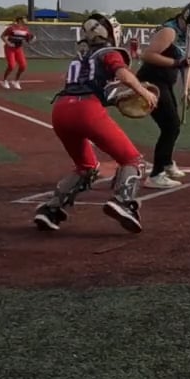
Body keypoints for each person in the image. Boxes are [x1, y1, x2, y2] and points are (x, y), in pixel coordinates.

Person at [33, 14, 156, 233]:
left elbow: (85, 86)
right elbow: (123, 75)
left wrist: (115, 99)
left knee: (86, 167)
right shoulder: (108, 52)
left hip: (60, 110)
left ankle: (51, 209)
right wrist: (143, 91)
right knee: (133, 160)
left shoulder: (80, 57)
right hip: (86, 110)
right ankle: (122, 202)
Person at [136, 0, 190, 189]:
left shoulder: (187, 36)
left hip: (165, 83)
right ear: (186, 19)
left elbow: (187, 65)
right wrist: (176, 63)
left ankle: (167, 163)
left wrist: (188, 90)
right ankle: (156, 175)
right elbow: (148, 55)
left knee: (171, 125)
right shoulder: (169, 31)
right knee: (171, 126)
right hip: (151, 82)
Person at [0, 16, 34, 89]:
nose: (26, 20)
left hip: (19, 49)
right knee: (12, 65)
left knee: (23, 66)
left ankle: (16, 81)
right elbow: (2, 36)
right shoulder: (11, 28)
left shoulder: (26, 29)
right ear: (20, 20)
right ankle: (4, 81)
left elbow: (28, 41)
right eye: (25, 19)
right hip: (9, 48)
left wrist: (33, 39)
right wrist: (8, 43)